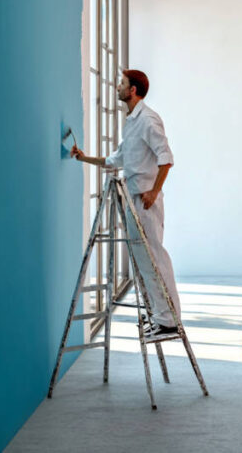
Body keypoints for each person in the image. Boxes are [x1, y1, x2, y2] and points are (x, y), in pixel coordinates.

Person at [70, 69, 182, 336]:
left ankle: (170, 320)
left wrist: (154, 192)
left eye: (122, 84)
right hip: (132, 198)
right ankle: (160, 316)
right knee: (144, 261)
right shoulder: (131, 121)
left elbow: (166, 159)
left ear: (132, 90)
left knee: (155, 258)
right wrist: (84, 159)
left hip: (145, 201)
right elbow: (116, 159)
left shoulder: (149, 120)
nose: (117, 87)